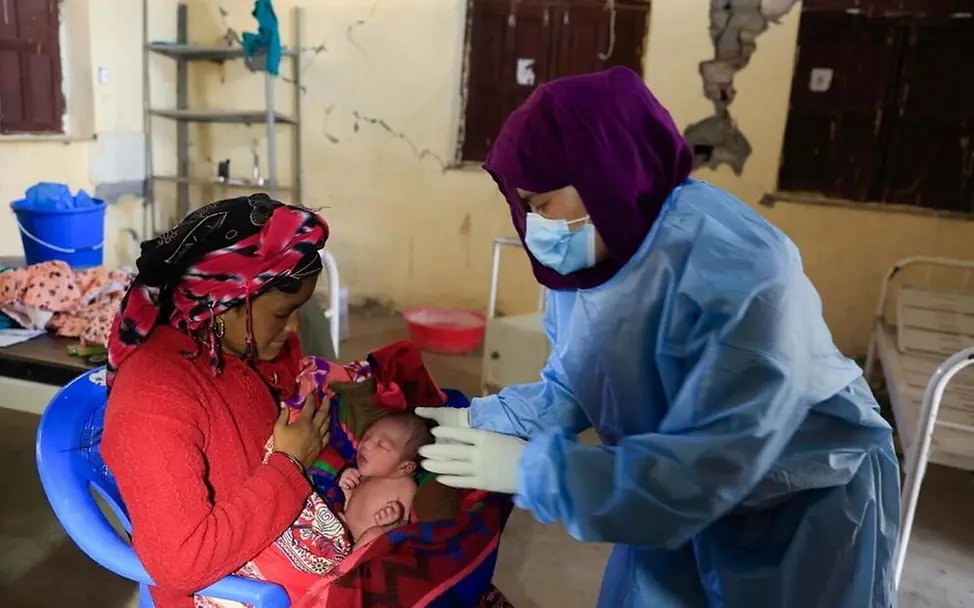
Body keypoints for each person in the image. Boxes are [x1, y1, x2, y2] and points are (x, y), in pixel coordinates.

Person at [417, 67, 900, 607]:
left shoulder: (744, 273)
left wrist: (532, 470)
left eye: (542, 203)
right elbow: (577, 382)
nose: (534, 227)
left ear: (602, 172)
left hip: (798, 503)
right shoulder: (590, 264)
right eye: (524, 206)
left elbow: (704, 473)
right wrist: (478, 420)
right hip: (662, 485)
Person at [101, 194, 332, 608]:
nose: (295, 327)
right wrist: (290, 465)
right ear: (220, 303)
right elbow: (183, 564)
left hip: (282, 552)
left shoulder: (233, 350)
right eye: (283, 314)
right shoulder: (153, 397)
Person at [338, 413, 435, 545]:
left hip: (366, 546)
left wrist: (392, 523)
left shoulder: (405, 486)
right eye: (367, 436)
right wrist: (347, 488)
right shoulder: (367, 475)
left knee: (375, 534)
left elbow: (403, 527)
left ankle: (349, 564)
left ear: (405, 467)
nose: (366, 444)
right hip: (344, 531)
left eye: (382, 445)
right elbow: (351, 507)